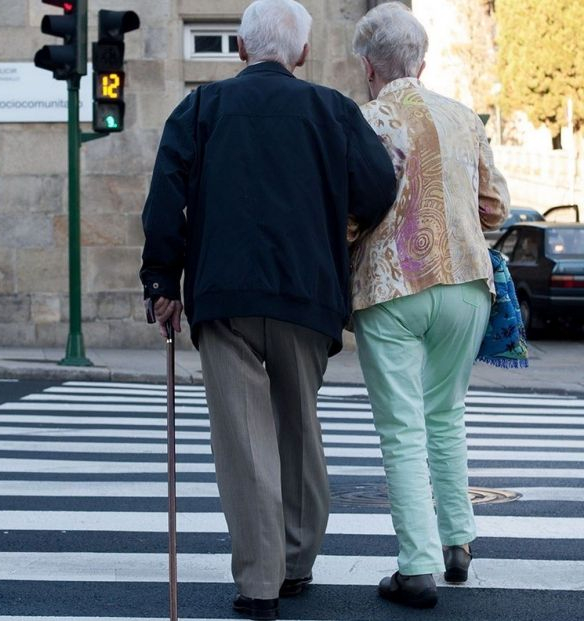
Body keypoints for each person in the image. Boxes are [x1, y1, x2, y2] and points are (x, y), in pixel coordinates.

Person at [140, 1, 397, 618]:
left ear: (239, 47)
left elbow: (163, 199)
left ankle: (260, 582)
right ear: (303, 53)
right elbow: (378, 187)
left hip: (224, 297)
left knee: (244, 440)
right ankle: (298, 560)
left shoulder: (199, 109)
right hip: (306, 296)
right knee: (298, 426)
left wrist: (162, 283)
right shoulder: (333, 111)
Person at [349, 2, 509, 609]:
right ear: (424, 59)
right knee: (446, 414)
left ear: (368, 65)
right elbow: (493, 206)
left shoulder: (368, 118)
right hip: (468, 284)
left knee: (401, 427)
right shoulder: (465, 118)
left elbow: (352, 210)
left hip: (392, 287)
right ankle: (459, 542)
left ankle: (416, 567)